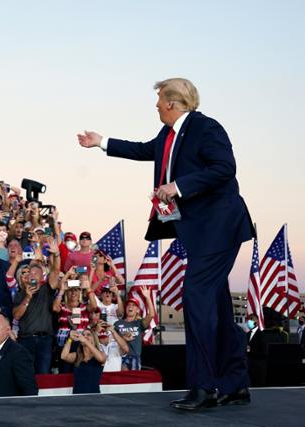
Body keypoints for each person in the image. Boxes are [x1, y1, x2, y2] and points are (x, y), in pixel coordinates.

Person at [78, 77, 254, 410]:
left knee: (196, 298)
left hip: (220, 228)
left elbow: (225, 168)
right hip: (200, 233)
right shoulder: (167, 135)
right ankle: (235, 384)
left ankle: (204, 388)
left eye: (159, 99)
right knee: (215, 305)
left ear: (172, 103)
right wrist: (102, 143)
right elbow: (145, 150)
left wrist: (179, 187)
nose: (156, 105)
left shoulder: (206, 128)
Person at [60, 328, 106, 394]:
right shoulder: (77, 356)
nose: (85, 336)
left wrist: (86, 341)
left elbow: (101, 359)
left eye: (88, 335)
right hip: (77, 397)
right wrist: (70, 339)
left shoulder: (100, 354)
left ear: (94, 339)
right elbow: (64, 356)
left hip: (94, 397)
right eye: (83, 335)